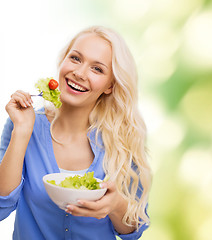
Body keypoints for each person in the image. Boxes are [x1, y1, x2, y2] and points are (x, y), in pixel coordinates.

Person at [0, 26, 152, 240]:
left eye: (97, 69)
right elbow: (1, 207)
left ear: (110, 86)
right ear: (63, 61)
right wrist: (22, 131)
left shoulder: (122, 138)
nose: (79, 73)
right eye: (75, 58)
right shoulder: (23, 124)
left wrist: (116, 205)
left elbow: (133, 231)